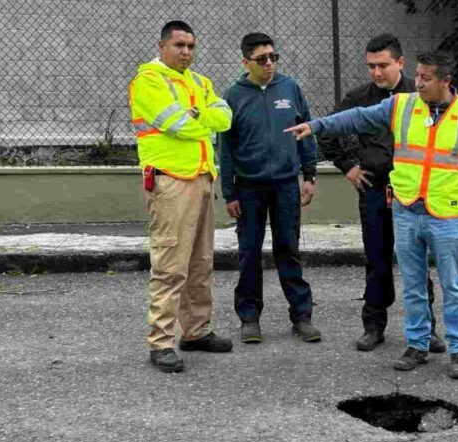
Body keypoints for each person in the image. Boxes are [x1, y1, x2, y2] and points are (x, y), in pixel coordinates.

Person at [286, 51, 458, 379]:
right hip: (406, 210)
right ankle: (417, 344)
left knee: (453, 286)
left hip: (445, 215)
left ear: (445, 81)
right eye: (418, 74)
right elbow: (356, 117)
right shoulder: (401, 105)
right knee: (412, 284)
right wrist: (316, 126)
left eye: (426, 77)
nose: (419, 82)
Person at [318, 33, 445, 353]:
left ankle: (427, 329)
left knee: (416, 260)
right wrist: (348, 166)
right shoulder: (359, 97)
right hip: (374, 189)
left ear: (400, 63)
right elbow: (328, 130)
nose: (376, 72)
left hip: (413, 192)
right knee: (376, 259)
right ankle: (373, 325)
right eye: (371, 66)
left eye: (383, 65)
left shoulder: (422, 96)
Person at [129, 20, 235, 373]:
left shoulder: (200, 82)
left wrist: (197, 115)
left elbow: (226, 117)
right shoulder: (148, 81)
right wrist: (199, 117)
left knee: (200, 263)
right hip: (171, 183)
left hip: (203, 179)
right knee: (170, 265)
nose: (186, 52)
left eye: (190, 46)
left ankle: (196, 331)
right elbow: (180, 125)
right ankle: (161, 342)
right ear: (162, 47)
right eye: (179, 45)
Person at [219, 32, 321, 344]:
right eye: (261, 59)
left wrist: (310, 175)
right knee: (249, 253)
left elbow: (305, 132)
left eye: (273, 57)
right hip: (248, 188)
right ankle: (249, 318)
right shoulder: (233, 96)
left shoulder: (290, 88)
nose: (269, 64)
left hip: (286, 185)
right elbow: (226, 148)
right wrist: (229, 192)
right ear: (245, 62)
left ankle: (301, 316)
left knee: (288, 249)